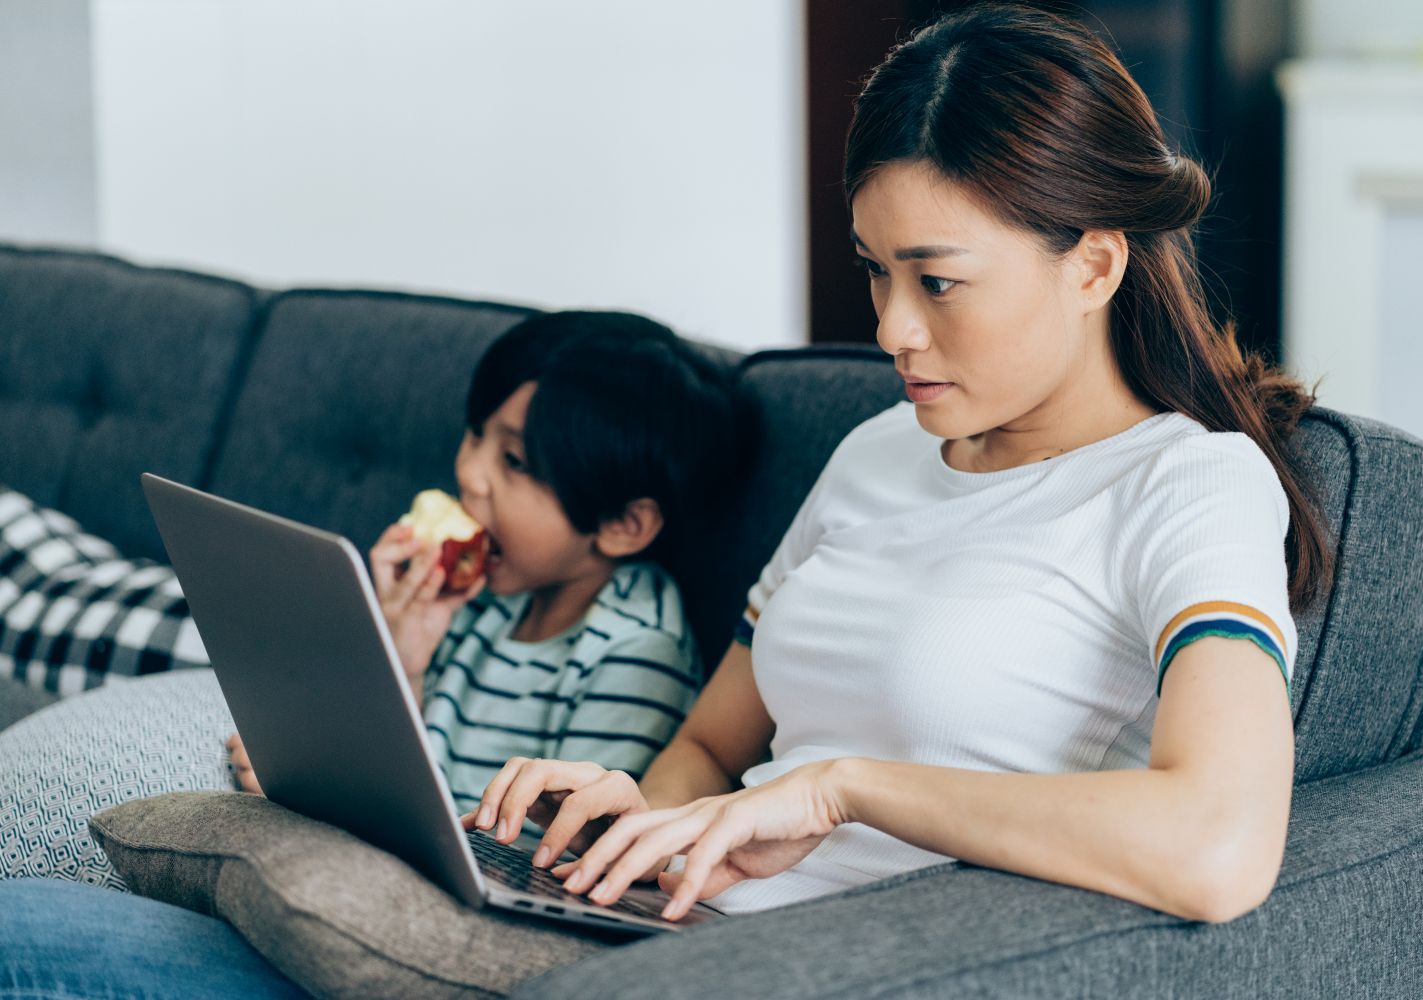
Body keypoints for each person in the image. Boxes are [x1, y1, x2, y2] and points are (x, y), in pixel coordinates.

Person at [0, 5, 1334, 996]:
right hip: (645, 938)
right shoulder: (878, 452)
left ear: (1094, 263)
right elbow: (707, 750)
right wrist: (629, 812)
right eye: (874, 274)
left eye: (938, 280)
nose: (893, 331)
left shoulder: (1189, 487)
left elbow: (1217, 844)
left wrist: (837, 793)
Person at [226, 309, 745, 811]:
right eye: (476, 433)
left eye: (514, 461)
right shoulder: (486, 595)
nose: (470, 473)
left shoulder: (635, 652)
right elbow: (411, 763)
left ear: (621, 525)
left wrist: (337, 794)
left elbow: (553, 859)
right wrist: (398, 657)